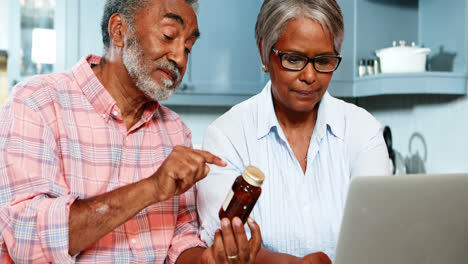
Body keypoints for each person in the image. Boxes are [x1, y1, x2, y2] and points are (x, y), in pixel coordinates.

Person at [0, 0, 262, 263]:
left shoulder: (176, 132)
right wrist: (151, 187)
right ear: (119, 31)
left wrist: (208, 260)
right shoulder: (38, 102)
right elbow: (26, 238)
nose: (180, 58)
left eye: (188, 47)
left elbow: (182, 241)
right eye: (168, 35)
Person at [197, 0, 391, 263]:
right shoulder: (227, 136)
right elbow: (226, 245)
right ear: (264, 51)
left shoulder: (362, 129)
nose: (310, 76)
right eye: (294, 59)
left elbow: (380, 232)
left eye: (323, 61)